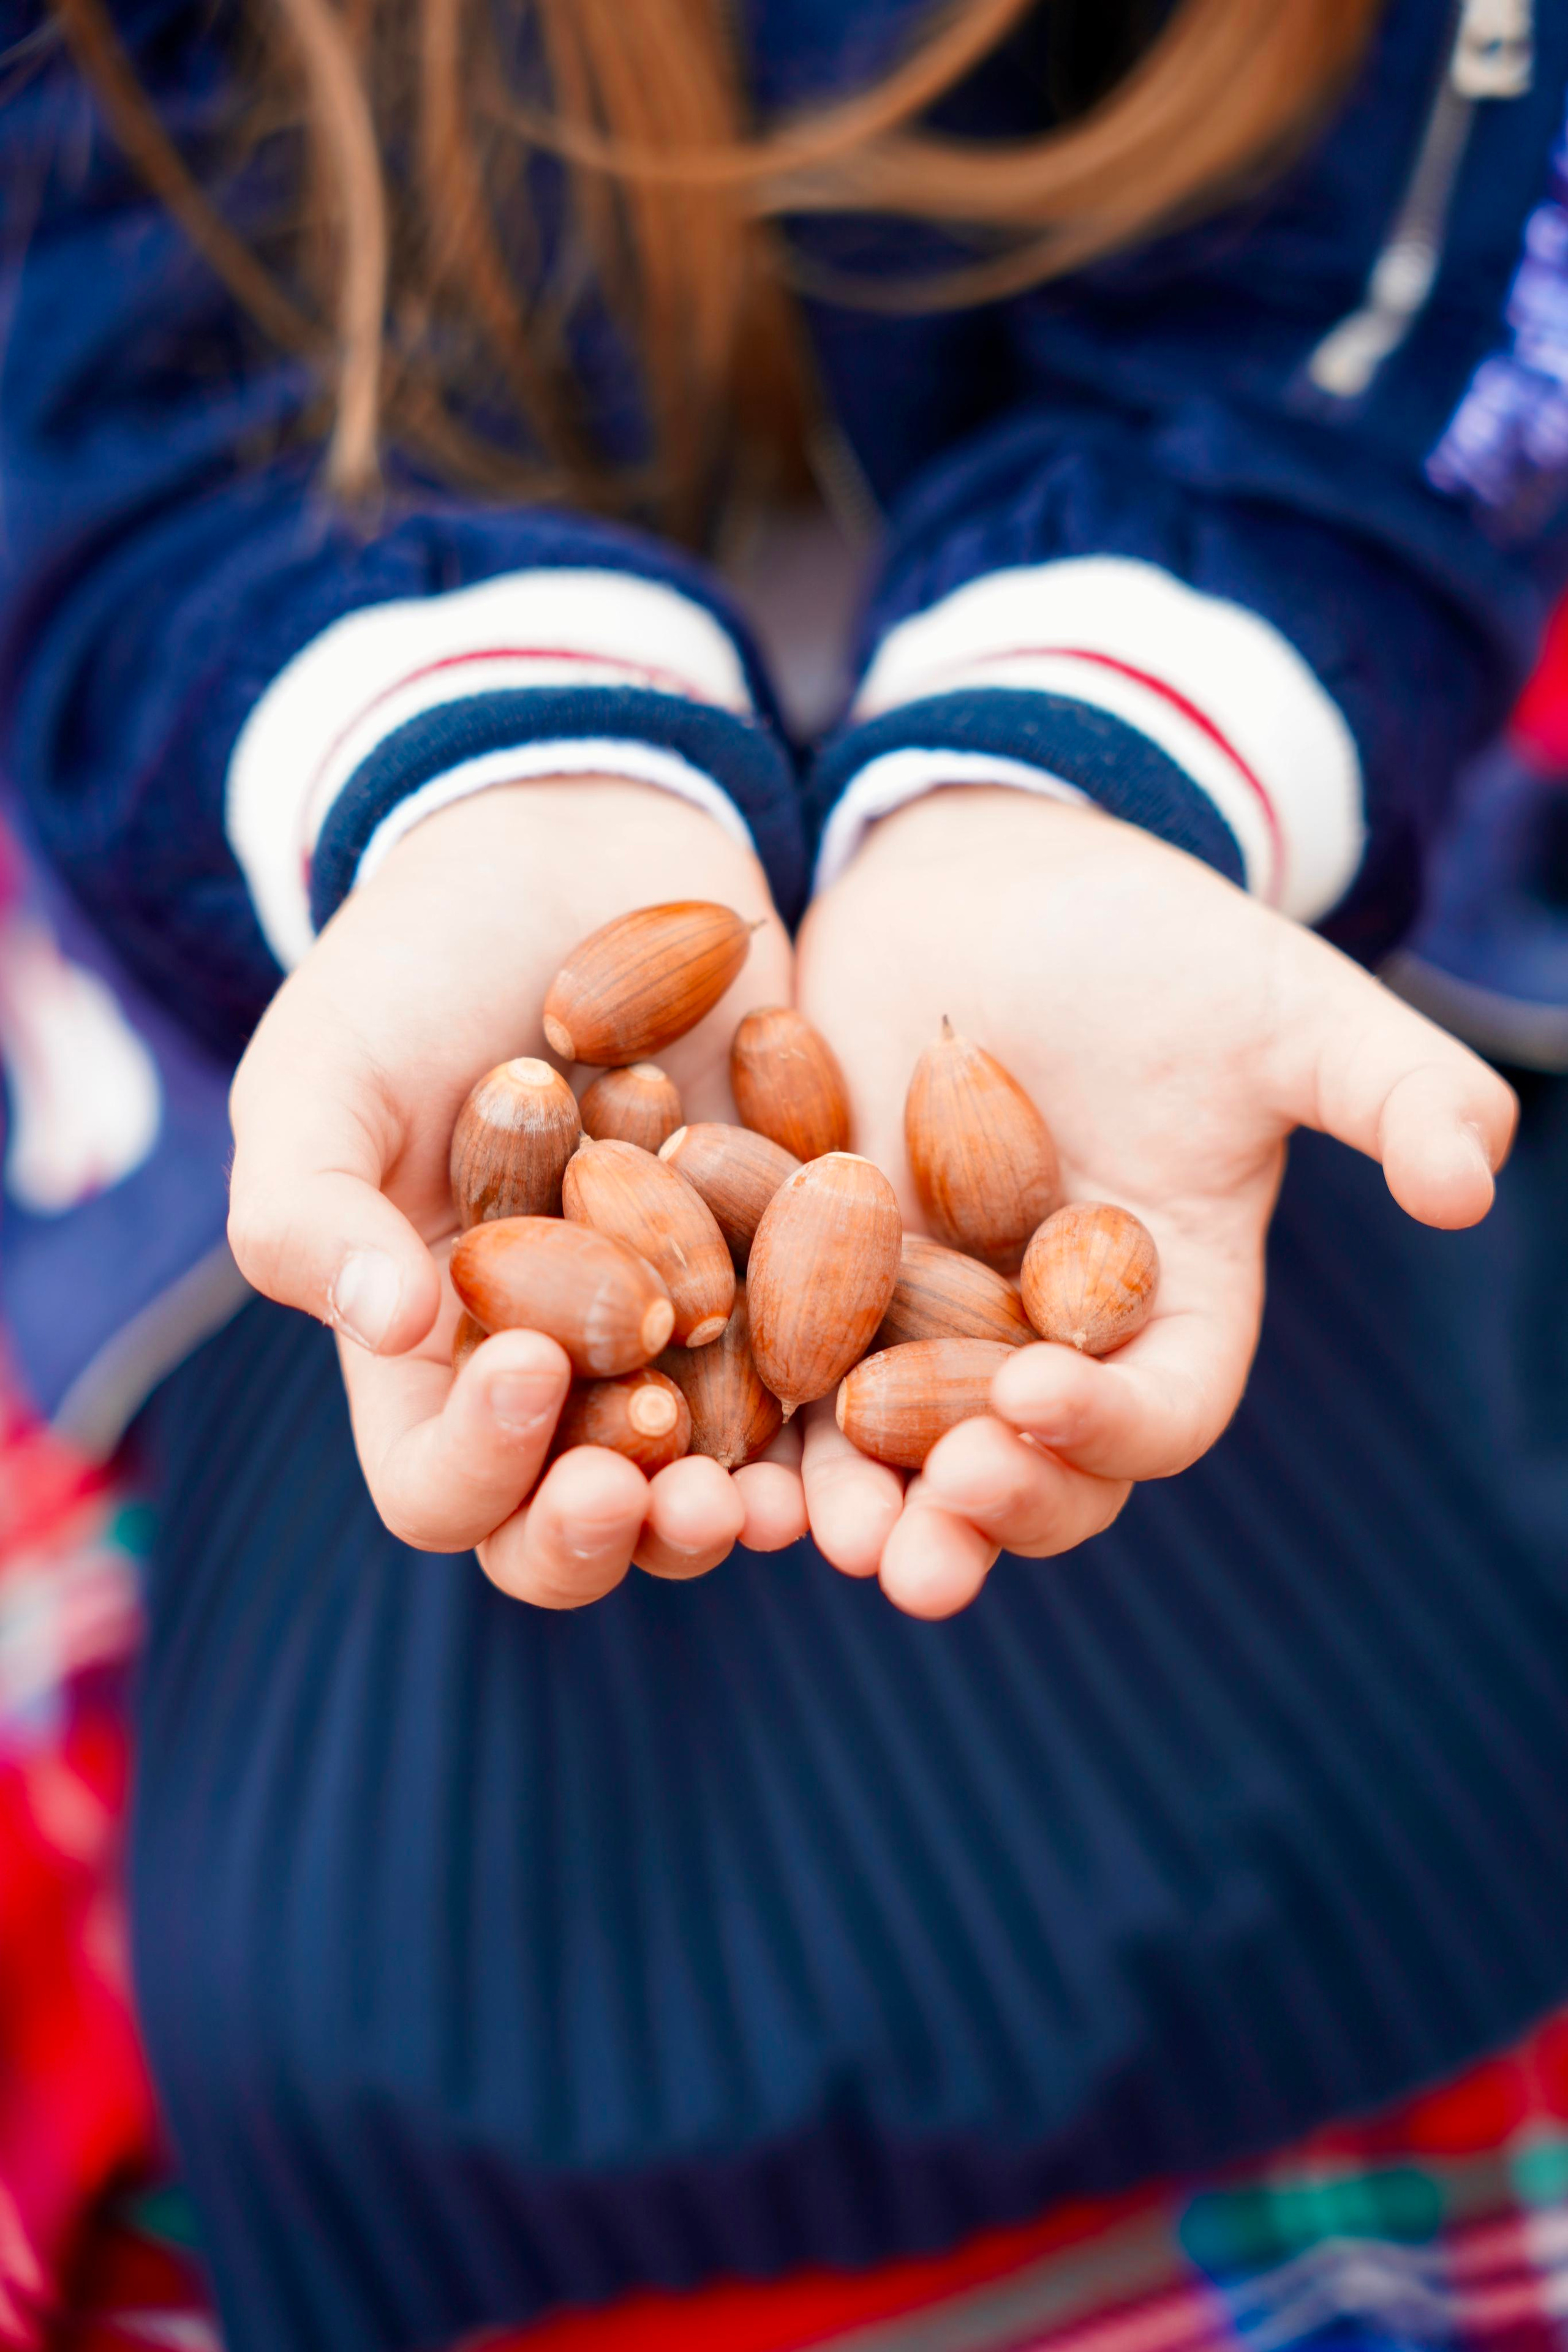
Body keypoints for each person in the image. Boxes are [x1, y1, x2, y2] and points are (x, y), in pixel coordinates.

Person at [2, 0, 1567, 2343]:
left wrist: (1088, 755)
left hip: (1237, 894)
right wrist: (464, 773)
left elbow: (1419, 281)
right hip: (319, 969)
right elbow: (90, 405)